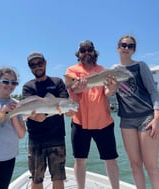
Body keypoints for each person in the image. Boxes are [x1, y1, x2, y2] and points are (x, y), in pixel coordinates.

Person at [65, 40, 120, 189]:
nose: (87, 52)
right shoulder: (71, 70)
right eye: (83, 50)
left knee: (111, 159)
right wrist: (79, 87)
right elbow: (72, 89)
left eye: (89, 49)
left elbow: (107, 93)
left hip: (103, 121)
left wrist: (113, 87)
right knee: (80, 160)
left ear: (94, 52)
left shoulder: (104, 71)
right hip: (79, 121)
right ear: (79, 54)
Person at [114, 35, 159, 189]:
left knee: (151, 166)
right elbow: (108, 93)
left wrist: (157, 116)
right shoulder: (113, 70)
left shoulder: (140, 66)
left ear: (134, 50)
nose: (126, 48)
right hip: (126, 120)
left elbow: (153, 92)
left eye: (130, 46)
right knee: (135, 165)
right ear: (118, 48)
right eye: (123, 45)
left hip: (146, 118)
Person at [22, 52, 74, 189]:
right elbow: (28, 111)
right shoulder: (28, 87)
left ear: (45, 63)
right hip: (36, 139)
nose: (37, 67)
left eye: (39, 63)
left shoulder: (57, 82)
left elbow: (65, 105)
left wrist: (70, 111)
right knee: (37, 177)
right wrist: (34, 116)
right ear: (30, 67)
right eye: (33, 65)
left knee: (58, 177)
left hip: (56, 137)